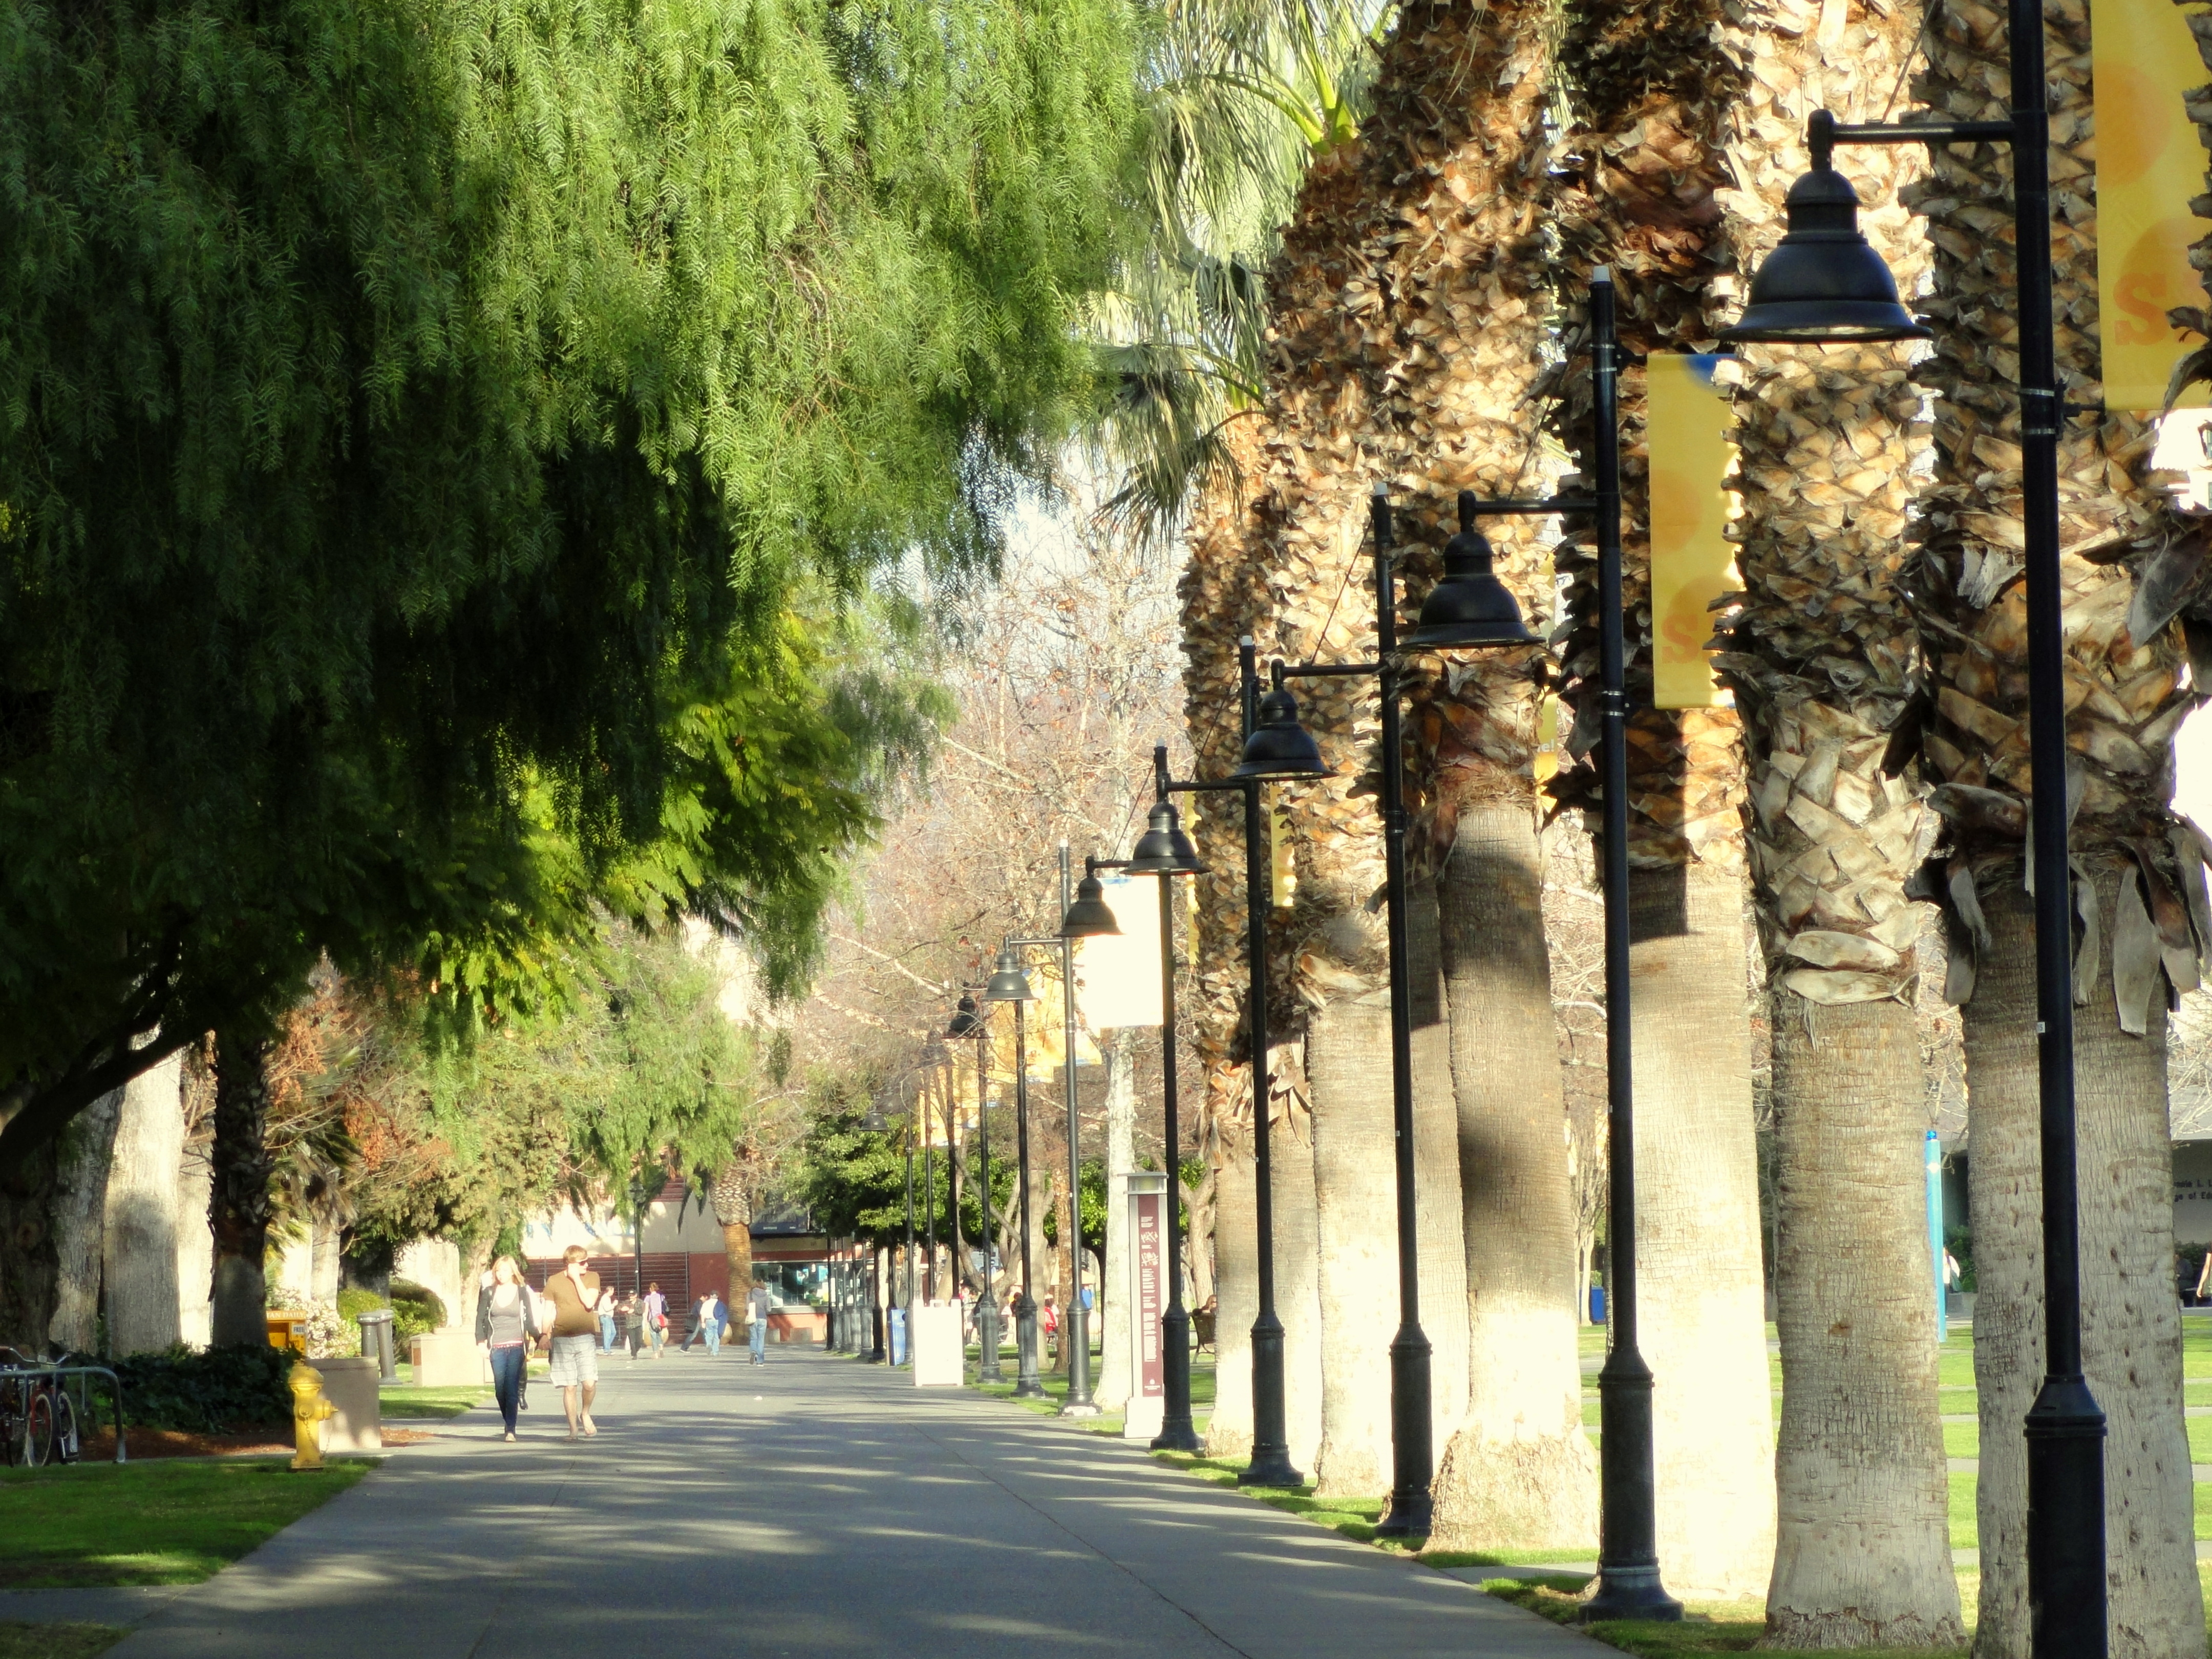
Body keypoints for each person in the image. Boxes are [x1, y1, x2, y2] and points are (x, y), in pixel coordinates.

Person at [474, 1255, 539, 1442]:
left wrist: (539, 1337)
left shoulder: (521, 1292)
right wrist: (481, 1343)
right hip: (497, 1347)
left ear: (513, 1272)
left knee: (510, 1387)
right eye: (498, 1271)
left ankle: (510, 1428)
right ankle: (508, 1419)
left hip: (517, 1346)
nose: (501, 1275)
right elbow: (481, 1320)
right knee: (499, 1389)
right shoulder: (488, 1292)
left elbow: (528, 1320)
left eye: (505, 1271)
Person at [541, 1244, 603, 1439]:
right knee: (569, 1386)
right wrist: (544, 1334)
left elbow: (589, 1302)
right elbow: (548, 1310)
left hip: (585, 1336)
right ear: (569, 1263)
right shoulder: (554, 1281)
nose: (587, 1264)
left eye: (586, 1261)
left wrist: (577, 1279)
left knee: (589, 1383)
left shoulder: (592, 1277)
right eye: (582, 1262)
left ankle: (585, 1413)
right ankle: (573, 1429)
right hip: (562, 1338)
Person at [686, 1289, 724, 1357]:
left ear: (711, 1296)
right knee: (716, 1336)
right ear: (717, 1296)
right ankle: (715, 1352)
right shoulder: (720, 1304)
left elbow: (702, 1314)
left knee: (709, 1335)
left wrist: (703, 1322)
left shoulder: (706, 1303)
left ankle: (709, 1344)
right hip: (717, 1321)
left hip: (708, 1321)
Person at [747, 1280, 773, 1365]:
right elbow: (769, 1309)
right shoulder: (766, 1295)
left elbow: (747, 1308)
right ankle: (760, 1361)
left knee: (754, 1338)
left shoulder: (750, 1294)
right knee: (761, 1340)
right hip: (763, 1319)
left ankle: (754, 1351)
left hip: (753, 1318)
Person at [641, 1281, 668, 1358]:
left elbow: (647, 1309)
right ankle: (661, 1348)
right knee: (659, 1333)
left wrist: (645, 1319)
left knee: (653, 1335)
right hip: (660, 1317)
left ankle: (655, 1353)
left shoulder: (648, 1298)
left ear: (650, 1289)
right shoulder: (661, 1296)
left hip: (652, 1318)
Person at [596, 1285, 619, 1353]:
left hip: (609, 1317)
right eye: (612, 1290)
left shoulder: (608, 1298)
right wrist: (614, 1304)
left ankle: (607, 1347)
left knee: (613, 1332)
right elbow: (607, 1308)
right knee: (608, 1333)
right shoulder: (605, 1298)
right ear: (609, 1290)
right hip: (606, 1317)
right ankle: (607, 1349)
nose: (613, 1292)